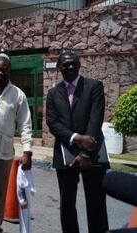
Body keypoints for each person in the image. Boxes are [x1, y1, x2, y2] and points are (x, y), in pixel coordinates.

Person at [46, 51, 109, 233]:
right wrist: (76, 138)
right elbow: (52, 122)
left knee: (96, 201)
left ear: (79, 65)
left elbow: (95, 119)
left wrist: (85, 153)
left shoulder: (94, 86)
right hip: (65, 153)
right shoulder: (52, 93)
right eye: (65, 64)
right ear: (59, 68)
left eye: (74, 63)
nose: (70, 67)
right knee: (66, 204)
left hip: (92, 154)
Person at [0, 53, 33, 233]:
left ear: (9, 71)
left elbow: (25, 124)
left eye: (3, 70)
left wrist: (27, 151)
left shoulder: (18, 95)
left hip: (4, 155)